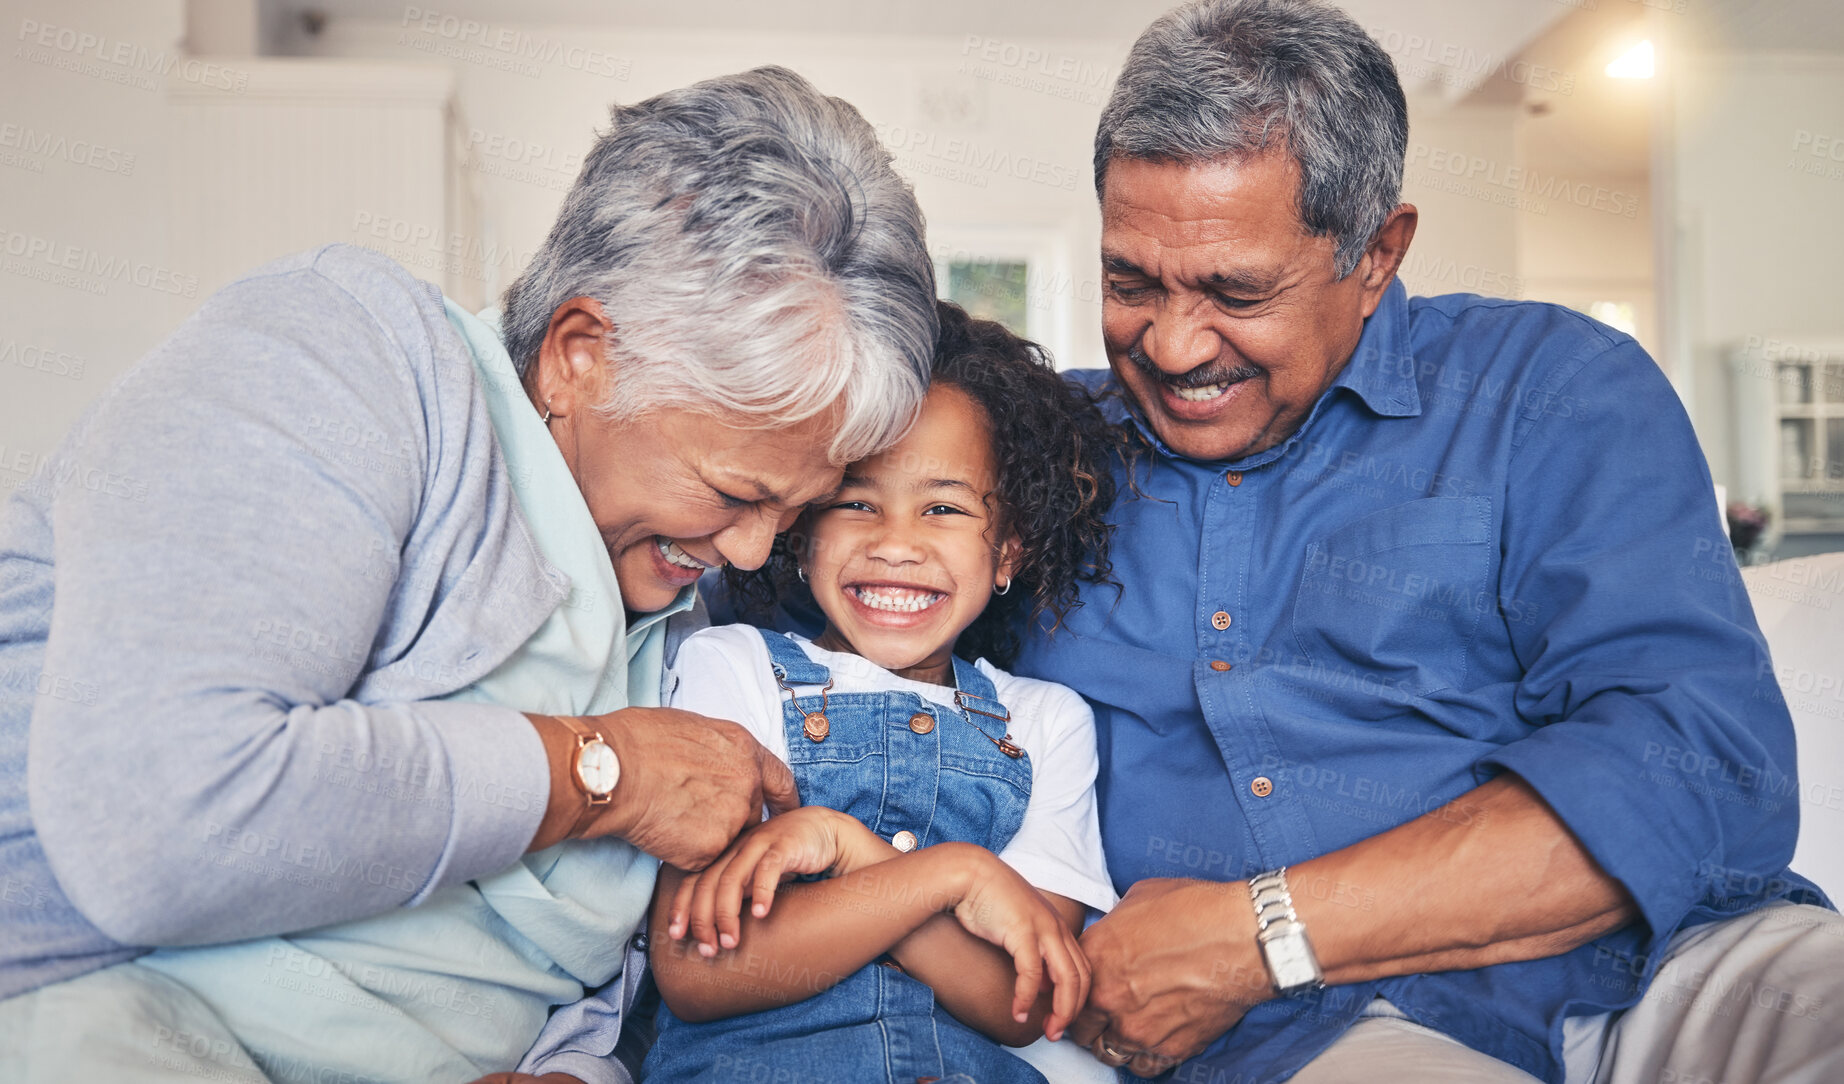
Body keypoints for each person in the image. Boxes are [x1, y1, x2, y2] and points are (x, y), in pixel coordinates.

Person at [0, 67, 938, 1083]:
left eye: (794, 512)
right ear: (581, 356)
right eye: (732, 490)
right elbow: (159, 822)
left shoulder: (675, 612)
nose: (755, 552)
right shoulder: (350, 352)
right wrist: (601, 772)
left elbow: (602, 991)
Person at [1005, 1, 1844, 1081]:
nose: (1170, 345)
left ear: (1376, 252)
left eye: (1236, 290)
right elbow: (823, 586)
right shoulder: (1031, 457)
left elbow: (1698, 765)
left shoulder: (1552, 389)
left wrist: (1262, 931)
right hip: (1306, 1038)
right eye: (1130, 282)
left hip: (1658, 963)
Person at [516, 303, 1125, 1084]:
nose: (896, 543)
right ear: (799, 533)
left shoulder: (1044, 724)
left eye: (943, 508)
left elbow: (1021, 1002)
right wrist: (954, 877)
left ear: (1009, 548)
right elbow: (702, 973)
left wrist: (844, 847)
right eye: (855, 502)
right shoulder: (732, 668)